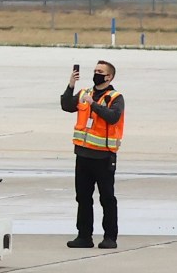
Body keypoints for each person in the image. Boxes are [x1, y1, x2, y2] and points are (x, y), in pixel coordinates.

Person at [60, 59, 123, 249]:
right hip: (83, 154)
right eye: (95, 70)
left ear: (109, 76)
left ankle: (110, 237)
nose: (96, 73)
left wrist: (93, 104)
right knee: (83, 197)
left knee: (107, 198)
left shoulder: (115, 97)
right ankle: (84, 236)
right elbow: (66, 105)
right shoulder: (84, 93)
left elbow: (113, 117)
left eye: (100, 71)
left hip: (104, 156)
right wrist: (71, 85)